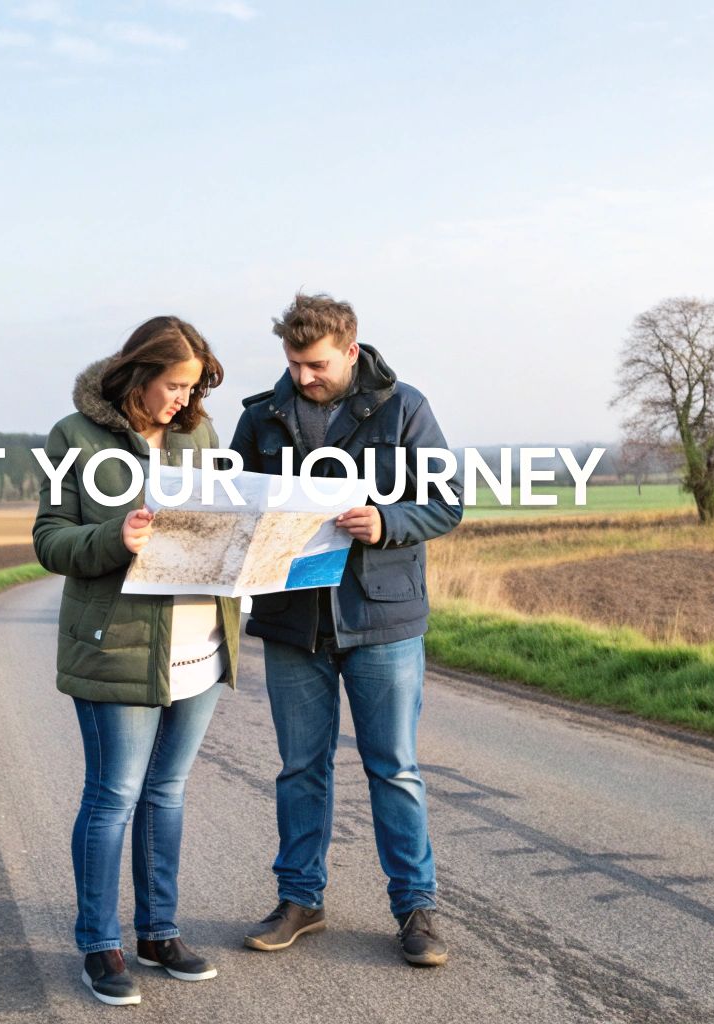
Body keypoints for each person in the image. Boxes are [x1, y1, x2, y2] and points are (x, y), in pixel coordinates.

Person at [228, 293, 463, 967]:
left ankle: (416, 912)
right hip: (290, 620)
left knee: (394, 769)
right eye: (295, 363)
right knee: (300, 768)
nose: (304, 377)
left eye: (317, 364)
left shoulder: (406, 407)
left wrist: (387, 522)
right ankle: (300, 900)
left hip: (383, 617)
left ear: (351, 351)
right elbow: (236, 509)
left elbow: (447, 503)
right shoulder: (259, 419)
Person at [32, 315, 243, 1006]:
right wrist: (113, 539)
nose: (183, 400)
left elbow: (218, 519)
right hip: (115, 644)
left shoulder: (199, 435)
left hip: (199, 644)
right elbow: (51, 540)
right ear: (139, 374)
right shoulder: (76, 437)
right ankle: (100, 943)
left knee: (167, 792)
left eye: (192, 387)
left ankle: (158, 932)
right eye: (174, 386)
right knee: (114, 794)